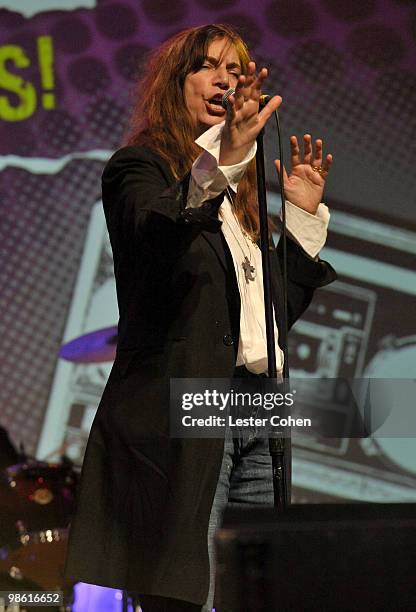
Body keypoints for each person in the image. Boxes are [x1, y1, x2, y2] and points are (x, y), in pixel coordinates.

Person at [65, 23, 336, 611]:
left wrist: (301, 227)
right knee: (183, 590)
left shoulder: (242, 201)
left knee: (256, 584)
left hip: (258, 405)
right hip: (187, 405)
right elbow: (159, 235)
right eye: (210, 67)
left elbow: (272, 318)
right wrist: (225, 161)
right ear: (175, 84)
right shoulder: (140, 168)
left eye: (237, 71)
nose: (227, 81)